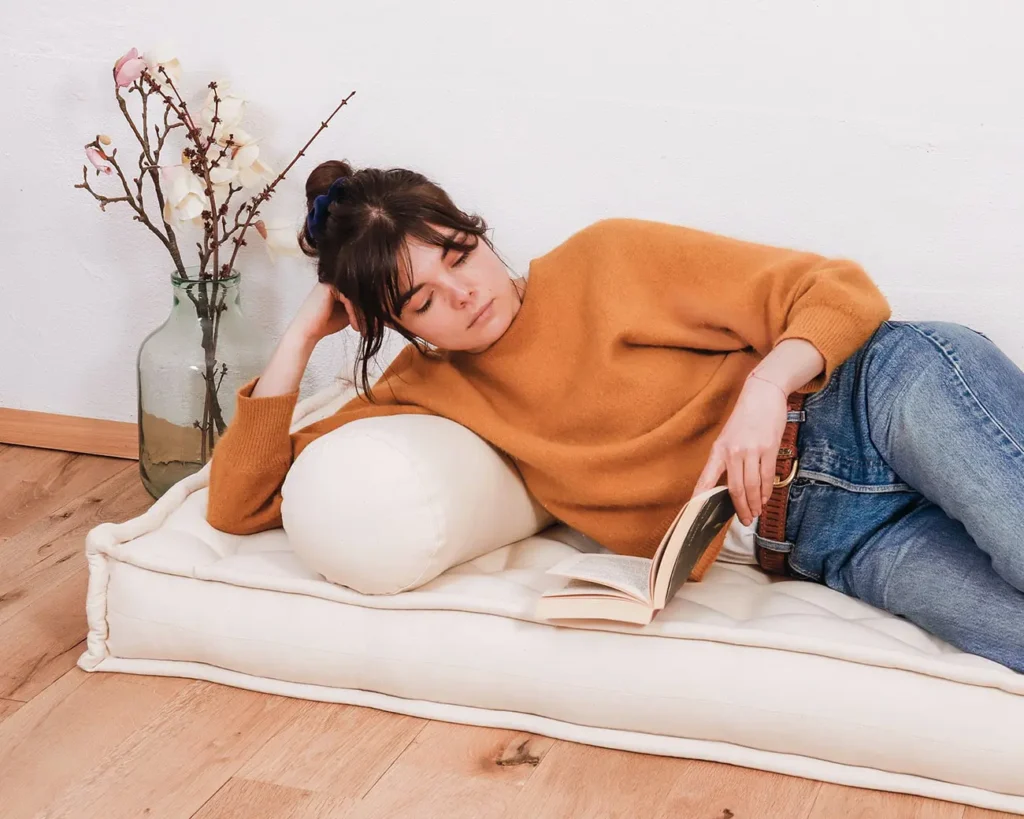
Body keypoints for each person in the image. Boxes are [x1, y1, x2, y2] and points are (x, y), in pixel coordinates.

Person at [207, 159, 1024, 673]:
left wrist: (767, 388)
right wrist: (303, 333)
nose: (463, 292)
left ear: (478, 234)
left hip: (879, 398)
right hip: (830, 539)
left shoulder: (606, 257)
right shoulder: (426, 389)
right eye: (424, 298)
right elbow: (238, 503)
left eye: (459, 254)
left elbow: (838, 289)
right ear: (396, 323)